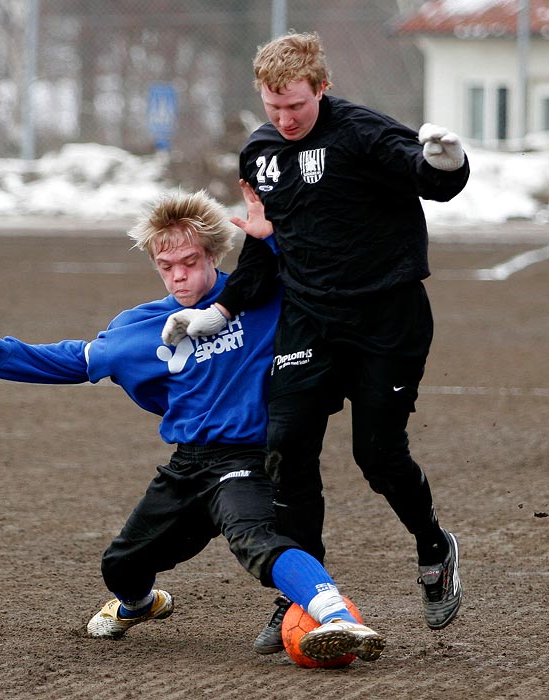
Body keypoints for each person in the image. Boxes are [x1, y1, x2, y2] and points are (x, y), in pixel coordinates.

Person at [0, 189, 386, 665]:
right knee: (120, 565)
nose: (179, 275)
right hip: (187, 465)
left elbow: (318, 269)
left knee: (255, 540)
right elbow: (80, 358)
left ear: (214, 255)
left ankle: (336, 614)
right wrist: (1, 351)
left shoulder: (257, 295)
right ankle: (141, 605)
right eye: (166, 265)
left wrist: (273, 237)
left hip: (246, 458)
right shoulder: (141, 326)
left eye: (190, 261)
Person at [162, 32, 467, 654]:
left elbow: (429, 181)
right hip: (309, 321)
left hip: (389, 318)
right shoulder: (261, 153)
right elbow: (268, 245)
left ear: (321, 89)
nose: (285, 119)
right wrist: (221, 307)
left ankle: (434, 548)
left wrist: (447, 162)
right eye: (273, 108)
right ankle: (304, 593)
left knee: (378, 457)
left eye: (295, 106)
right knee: (286, 447)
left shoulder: (362, 132)